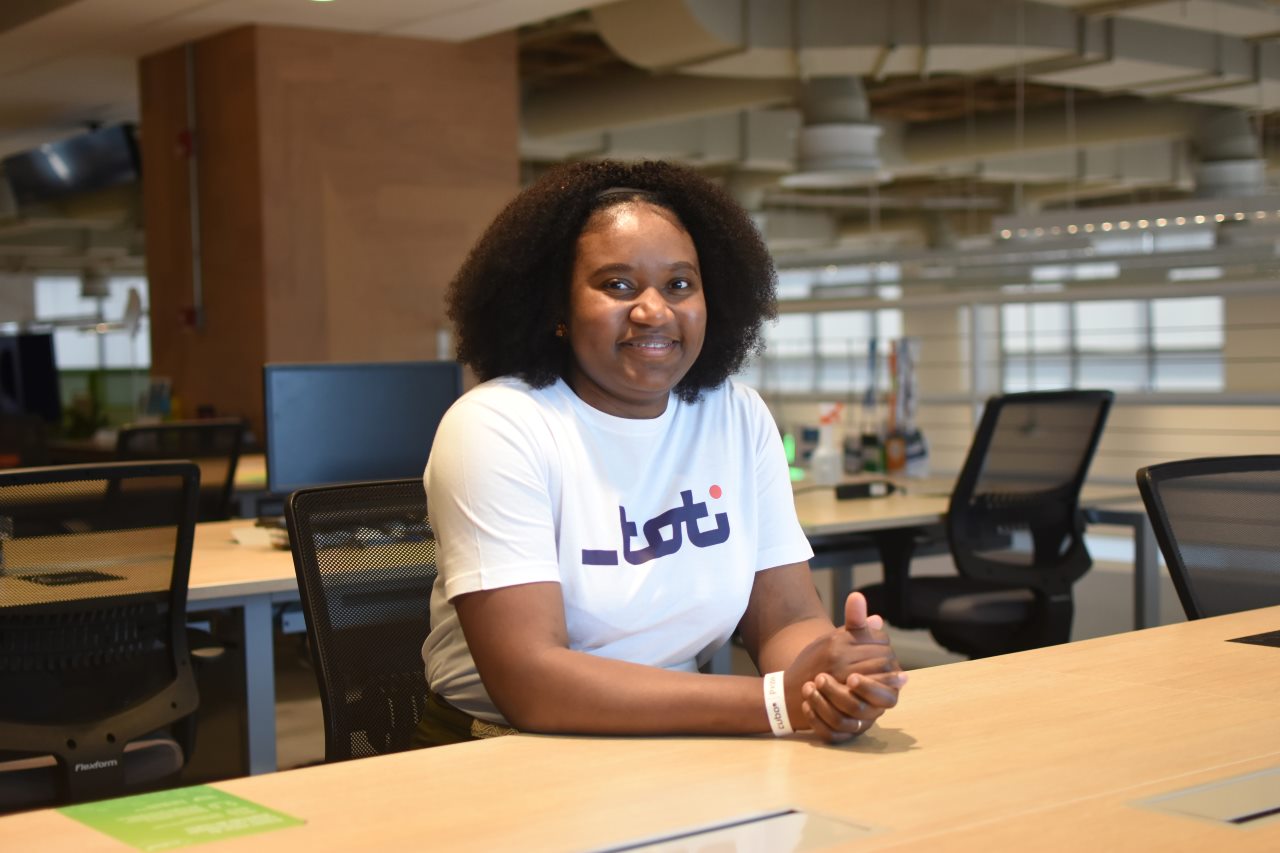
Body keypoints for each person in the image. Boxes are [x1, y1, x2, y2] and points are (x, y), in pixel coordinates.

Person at [415, 159, 906, 748]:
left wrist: (828, 681)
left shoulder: (736, 415)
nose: (655, 311)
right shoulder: (498, 426)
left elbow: (787, 617)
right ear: (556, 308)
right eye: (617, 284)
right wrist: (775, 701)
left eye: (679, 284)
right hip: (503, 751)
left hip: (680, 738)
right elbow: (531, 682)